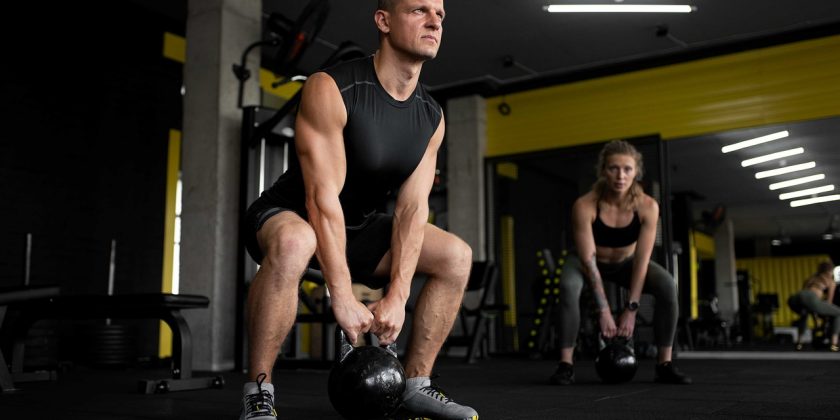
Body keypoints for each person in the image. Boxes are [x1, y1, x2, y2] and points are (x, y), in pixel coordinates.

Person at [239, 1, 479, 419]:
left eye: (440, 14)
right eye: (419, 10)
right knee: (297, 241)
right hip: (289, 214)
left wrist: (398, 296)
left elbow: (412, 210)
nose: (434, 21)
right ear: (383, 21)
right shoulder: (332, 87)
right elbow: (321, 199)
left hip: (358, 227)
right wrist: (343, 294)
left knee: (456, 256)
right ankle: (259, 391)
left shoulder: (431, 117)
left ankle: (416, 384)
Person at [549, 140, 691, 385]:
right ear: (603, 170)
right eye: (613, 168)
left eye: (627, 169)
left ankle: (664, 364)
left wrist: (631, 309)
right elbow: (588, 260)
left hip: (627, 263)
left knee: (668, 285)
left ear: (636, 172)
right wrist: (603, 311)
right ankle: (565, 364)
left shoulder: (648, 206)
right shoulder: (585, 205)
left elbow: (642, 260)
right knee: (567, 287)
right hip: (585, 263)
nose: (620, 175)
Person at [788, 261, 840, 351]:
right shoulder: (831, 281)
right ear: (830, 271)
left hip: (795, 298)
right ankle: (834, 344)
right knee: (838, 312)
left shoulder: (811, 278)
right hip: (811, 298)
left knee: (804, 314)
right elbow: (829, 302)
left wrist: (816, 321)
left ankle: (799, 343)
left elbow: (807, 301)